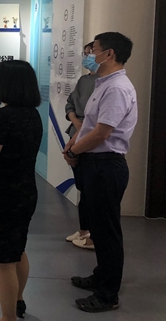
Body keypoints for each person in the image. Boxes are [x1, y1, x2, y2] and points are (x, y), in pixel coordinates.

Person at [63, 32, 137, 313]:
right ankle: (100, 276)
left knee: (107, 232)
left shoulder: (117, 88)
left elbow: (102, 133)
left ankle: (108, 294)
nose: (88, 55)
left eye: (93, 50)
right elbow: (88, 125)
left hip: (106, 165)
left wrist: (74, 152)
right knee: (98, 228)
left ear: (109, 54)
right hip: (94, 163)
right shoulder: (102, 84)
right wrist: (72, 145)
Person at [0, 60, 42, 321]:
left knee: (4, 262)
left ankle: (7, 317)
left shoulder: (1, 118)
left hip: (3, 195)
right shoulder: (32, 115)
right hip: (26, 191)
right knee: (18, 249)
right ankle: (18, 301)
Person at [65, 42, 98, 250]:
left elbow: (95, 120)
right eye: (84, 54)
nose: (86, 57)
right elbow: (70, 104)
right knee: (82, 188)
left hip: (88, 141)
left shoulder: (106, 84)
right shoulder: (84, 80)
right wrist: (76, 122)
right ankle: (84, 229)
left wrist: (81, 129)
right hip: (76, 132)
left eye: (90, 53)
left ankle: (94, 234)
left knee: (92, 191)